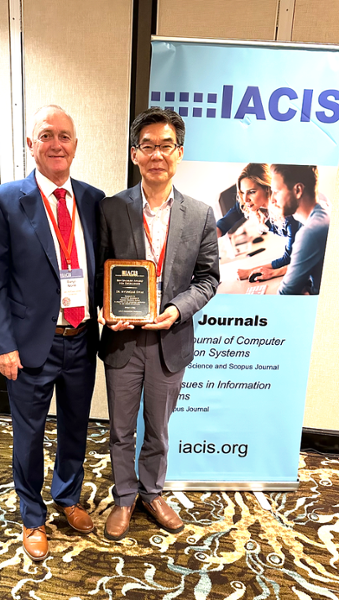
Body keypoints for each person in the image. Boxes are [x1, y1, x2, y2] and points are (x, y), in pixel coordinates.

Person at [0, 105, 105, 561]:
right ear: (30, 145)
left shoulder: (94, 200)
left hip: (82, 335)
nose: (56, 144)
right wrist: (2, 344)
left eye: (65, 136)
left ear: (76, 144)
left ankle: (67, 496)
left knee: (76, 425)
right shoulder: (3, 200)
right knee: (29, 435)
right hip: (32, 342)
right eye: (46, 135)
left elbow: (103, 268)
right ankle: (32, 514)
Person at [97, 107, 220, 541]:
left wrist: (179, 309)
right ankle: (125, 496)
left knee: (159, 427)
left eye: (165, 146)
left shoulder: (201, 214)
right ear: (135, 154)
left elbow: (208, 279)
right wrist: (105, 310)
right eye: (147, 146)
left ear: (179, 153)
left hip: (171, 338)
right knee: (121, 427)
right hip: (123, 342)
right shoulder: (111, 208)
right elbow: (100, 275)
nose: (156, 155)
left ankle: (153, 491)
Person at [216, 163, 301, 281]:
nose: (245, 199)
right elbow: (230, 217)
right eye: (242, 192)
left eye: (251, 192)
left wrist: (251, 271)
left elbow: (289, 258)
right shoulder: (253, 203)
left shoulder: (288, 213)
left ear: (267, 188)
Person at [269, 164, 330, 295]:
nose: (272, 200)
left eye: (276, 192)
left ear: (298, 190)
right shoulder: (324, 207)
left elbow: (285, 294)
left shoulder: (310, 232)